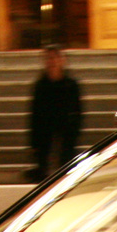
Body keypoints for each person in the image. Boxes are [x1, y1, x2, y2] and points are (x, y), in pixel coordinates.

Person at [26, 45, 82, 182]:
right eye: (48, 58)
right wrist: (33, 142)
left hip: (65, 131)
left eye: (55, 58)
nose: (52, 61)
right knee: (43, 170)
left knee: (66, 167)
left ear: (62, 61)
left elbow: (78, 110)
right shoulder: (40, 85)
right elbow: (35, 113)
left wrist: (74, 130)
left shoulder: (71, 85)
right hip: (45, 130)